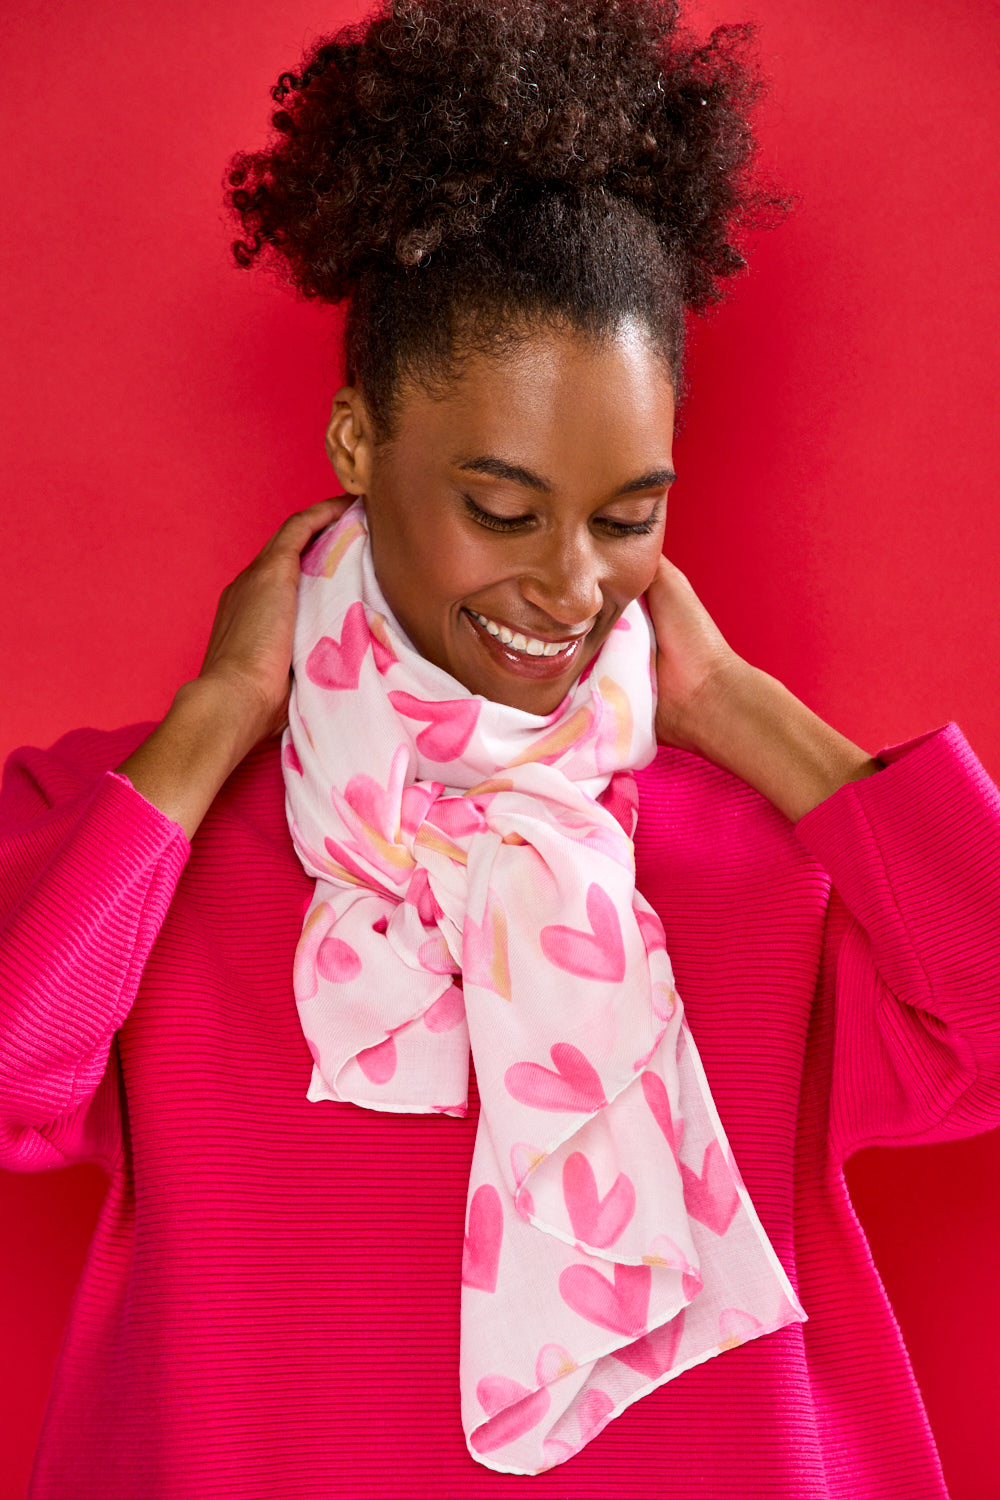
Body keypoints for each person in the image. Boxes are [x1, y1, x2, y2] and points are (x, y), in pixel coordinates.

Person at [2, 0, 999, 1495]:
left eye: (629, 516)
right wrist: (217, 718)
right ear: (357, 443)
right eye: (504, 509)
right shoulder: (141, 831)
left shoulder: (771, 858)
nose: (573, 585)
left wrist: (742, 711)